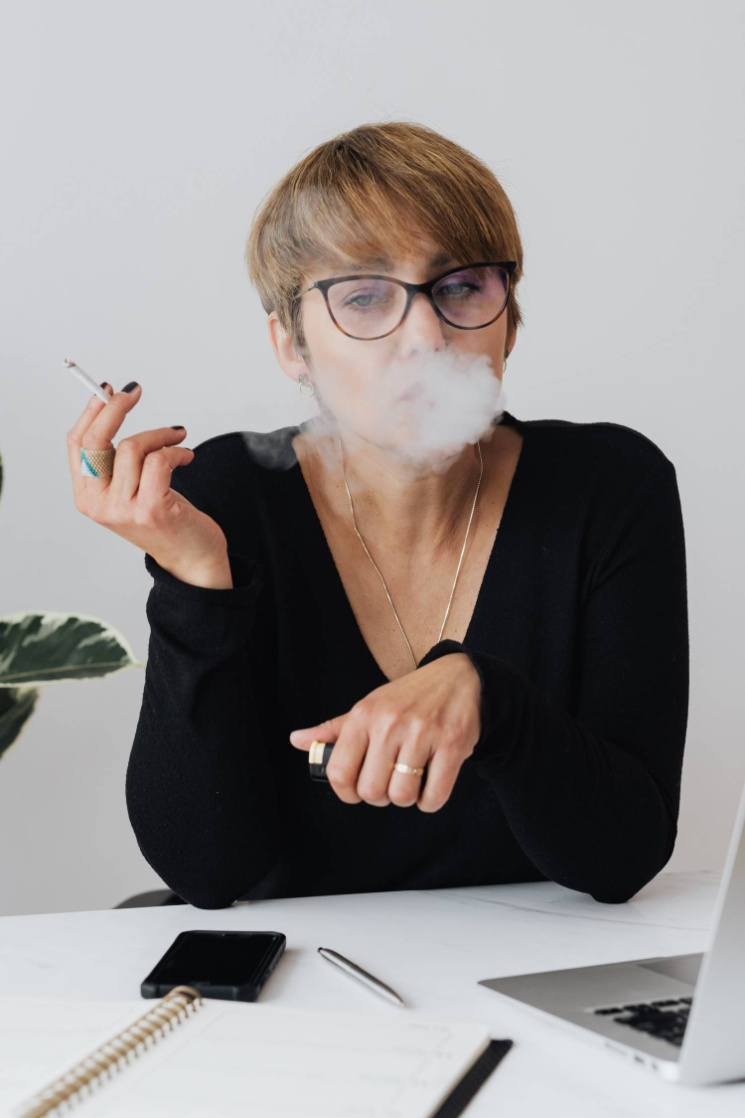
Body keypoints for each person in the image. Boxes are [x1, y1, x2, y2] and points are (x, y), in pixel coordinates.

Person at [67, 122, 689, 909]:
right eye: (363, 297)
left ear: (508, 317)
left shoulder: (607, 488)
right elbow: (206, 869)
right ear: (291, 345)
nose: (426, 335)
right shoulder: (228, 498)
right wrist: (195, 584)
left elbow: (622, 857)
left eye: (461, 286)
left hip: (528, 976)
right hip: (300, 988)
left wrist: (489, 700)